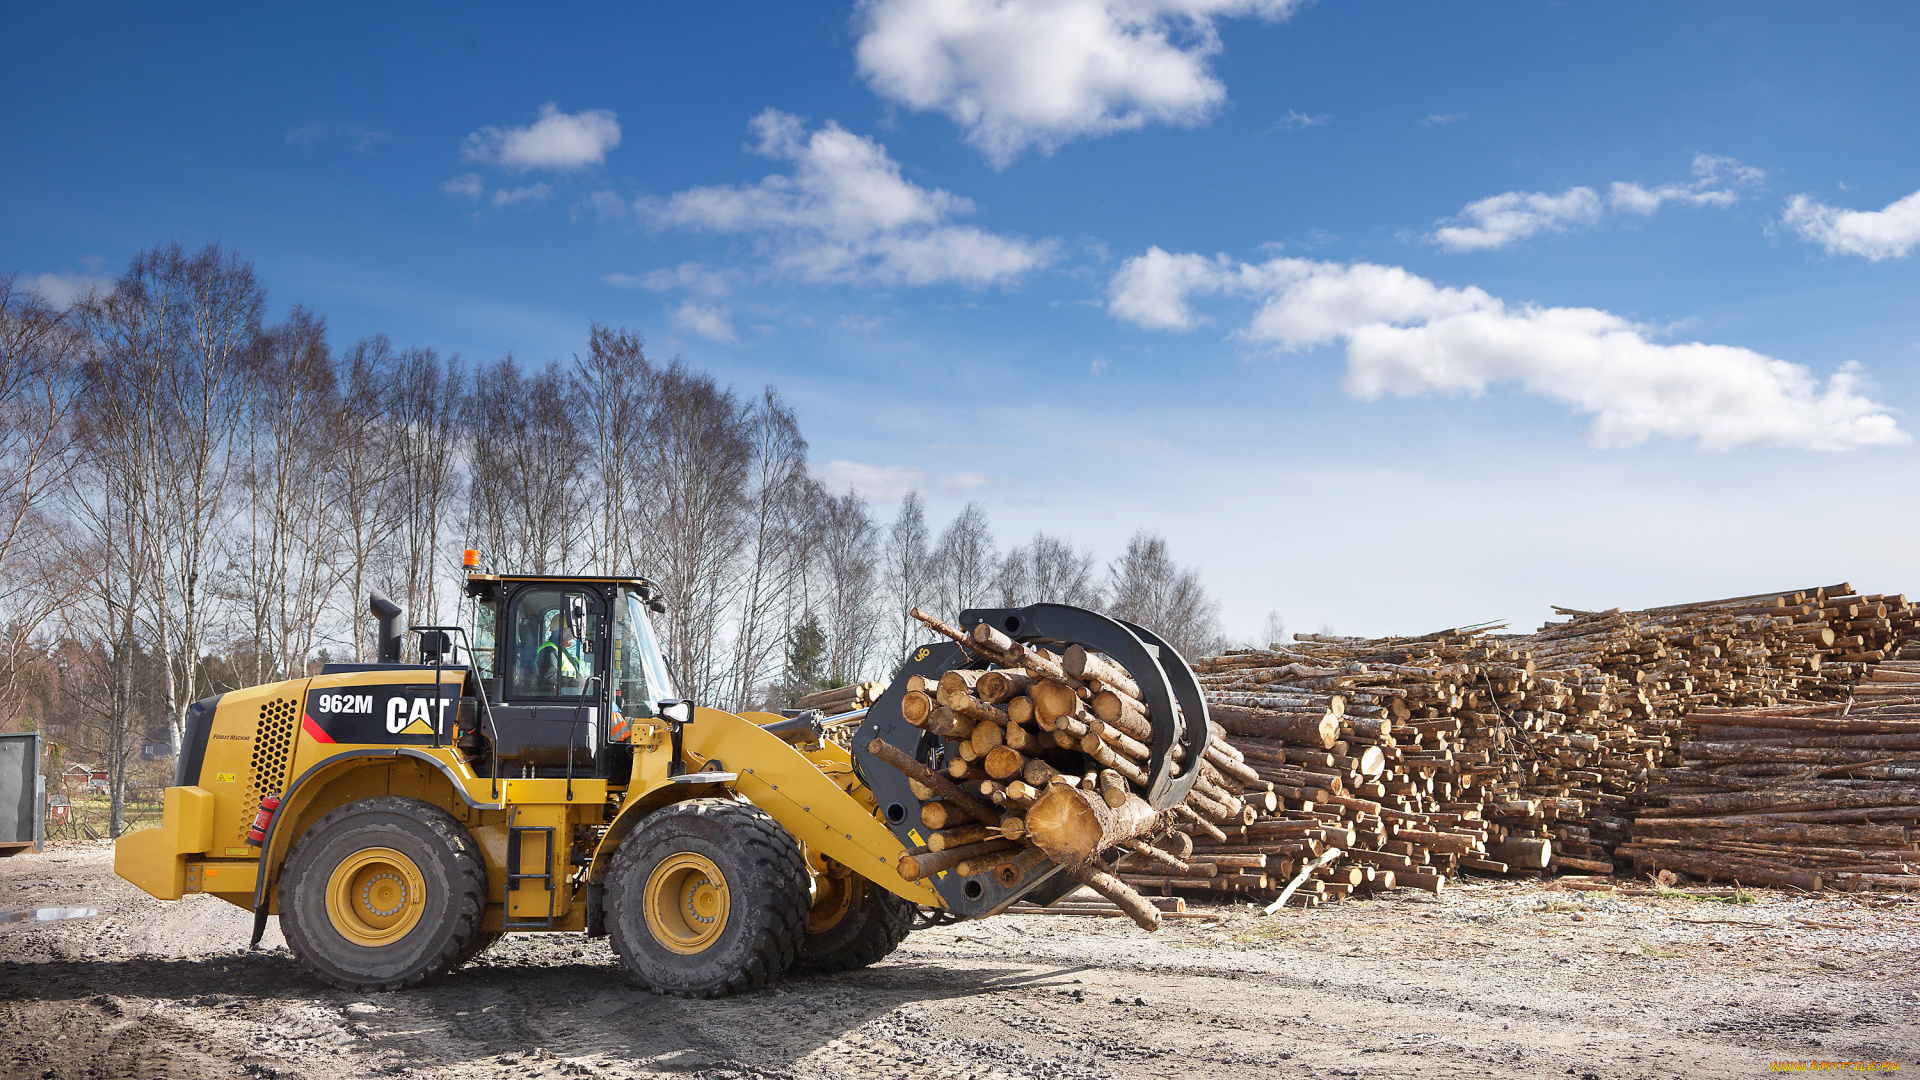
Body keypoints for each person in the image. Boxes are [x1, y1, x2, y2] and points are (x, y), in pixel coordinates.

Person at [536, 620, 587, 694]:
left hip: (565, 696)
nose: (574, 637)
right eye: (572, 632)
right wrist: (575, 683)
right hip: (553, 699)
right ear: (563, 632)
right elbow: (549, 678)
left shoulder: (561, 651)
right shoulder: (548, 651)